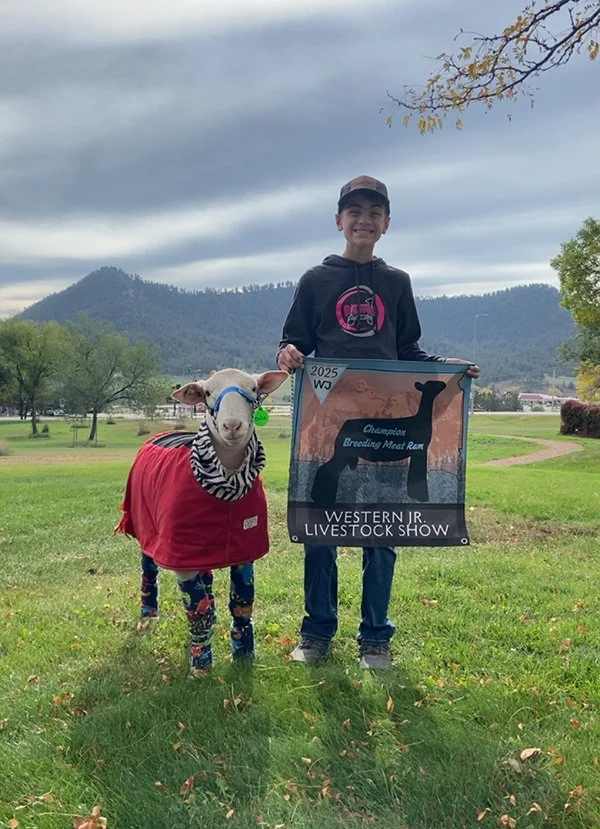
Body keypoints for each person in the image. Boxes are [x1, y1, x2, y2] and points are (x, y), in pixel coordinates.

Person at [277, 175, 479, 670]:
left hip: (386, 420)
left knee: (380, 529)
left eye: (374, 212)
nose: (363, 220)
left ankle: (375, 637)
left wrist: (448, 371)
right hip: (329, 418)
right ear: (339, 220)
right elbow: (294, 343)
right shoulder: (314, 281)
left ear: (386, 223)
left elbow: (407, 351)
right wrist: (288, 355)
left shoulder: (397, 283)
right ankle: (317, 631)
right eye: (354, 211)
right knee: (321, 528)